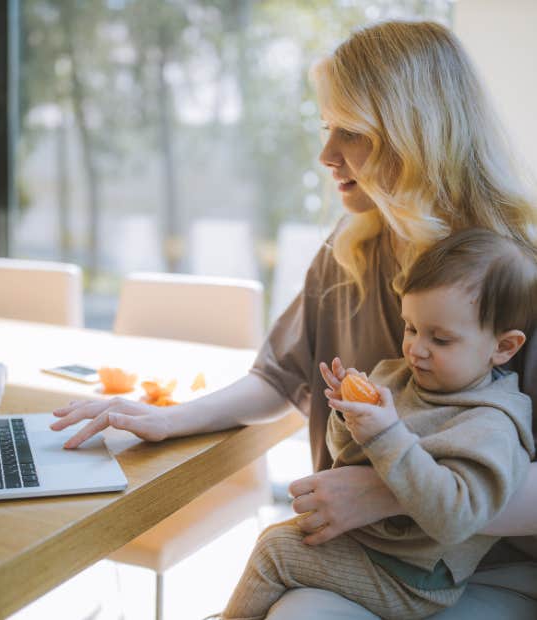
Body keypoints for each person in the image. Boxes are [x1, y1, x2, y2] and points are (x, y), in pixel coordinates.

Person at [50, 20, 537, 617]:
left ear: (417, 136)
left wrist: (387, 494)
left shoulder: (518, 276)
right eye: (325, 126)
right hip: (365, 548)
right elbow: (279, 378)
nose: (326, 154)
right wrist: (171, 419)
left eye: (351, 132)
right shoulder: (352, 248)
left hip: (487, 565)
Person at [219, 229, 536, 620]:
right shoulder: (400, 377)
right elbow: (349, 458)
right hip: (372, 547)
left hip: (414, 578)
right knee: (278, 540)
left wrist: (386, 434)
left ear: (503, 347)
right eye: (411, 328)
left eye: (440, 339)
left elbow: (456, 517)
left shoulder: (491, 423)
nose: (416, 349)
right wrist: (348, 416)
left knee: (275, 553)